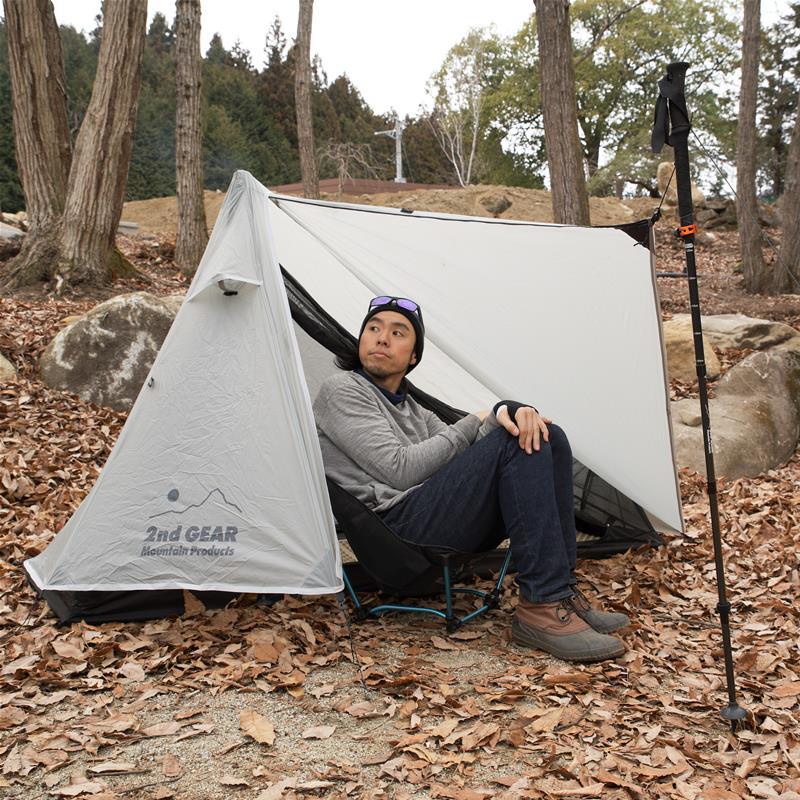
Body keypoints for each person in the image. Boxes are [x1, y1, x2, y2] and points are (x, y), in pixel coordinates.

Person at [313, 295, 630, 662]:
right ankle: (541, 605)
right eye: (373, 329)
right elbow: (400, 470)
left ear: (413, 357)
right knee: (512, 442)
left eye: (398, 333)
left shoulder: (416, 411)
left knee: (549, 436)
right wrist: (481, 417)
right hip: (395, 533)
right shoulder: (342, 390)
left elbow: (466, 455)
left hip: (430, 520)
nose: (381, 338)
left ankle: (560, 592)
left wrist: (508, 412)